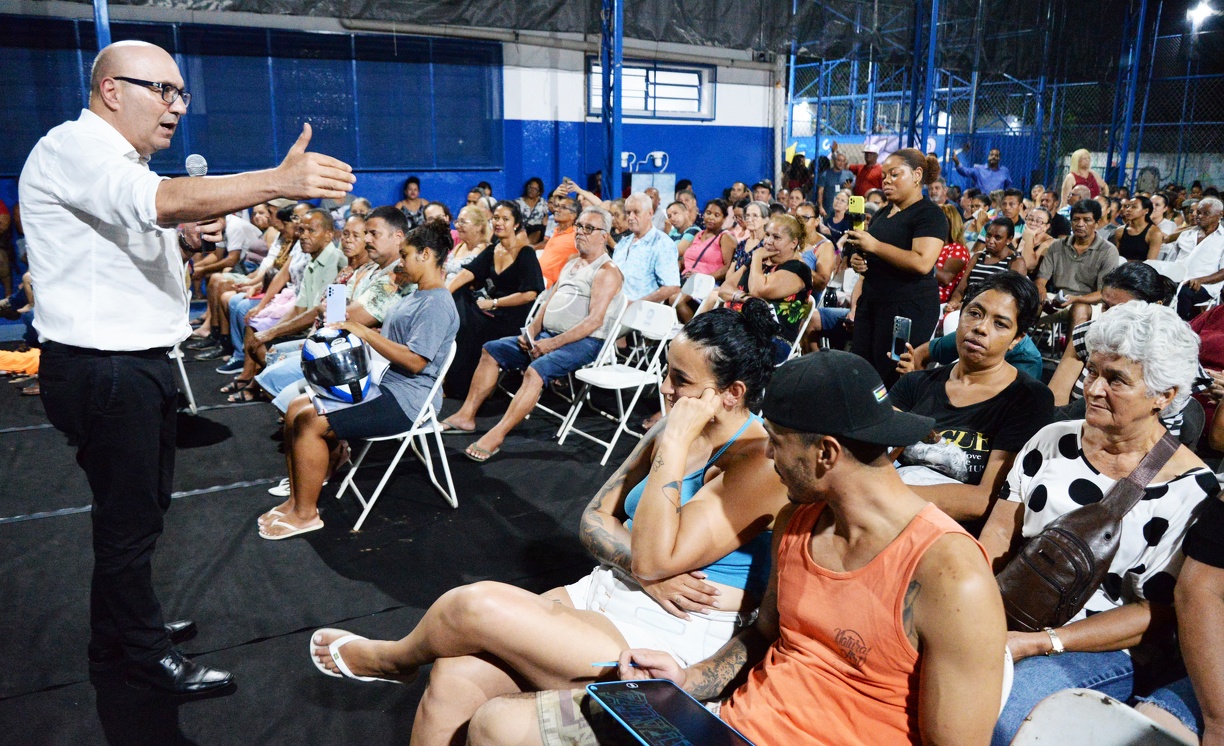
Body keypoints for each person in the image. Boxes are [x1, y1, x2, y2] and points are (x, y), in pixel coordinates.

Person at [22, 39, 353, 694]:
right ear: (112, 90)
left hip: (123, 367)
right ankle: (142, 658)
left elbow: (147, 218)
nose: (177, 107)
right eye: (163, 91)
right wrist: (278, 182)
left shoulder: (115, 161)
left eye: (182, 94)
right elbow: (163, 203)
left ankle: (118, 631)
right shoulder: (77, 148)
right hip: (106, 369)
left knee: (129, 518)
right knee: (130, 521)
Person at [467, 350, 1008, 746]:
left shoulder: (950, 575)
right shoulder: (801, 518)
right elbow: (765, 635)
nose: (768, 454)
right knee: (496, 725)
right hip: (727, 727)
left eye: (776, 440)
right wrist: (687, 679)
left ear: (826, 453)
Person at [309, 304, 790, 746]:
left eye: (680, 380)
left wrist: (673, 448)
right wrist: (640, 564)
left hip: (672, 633)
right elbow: (594, 519)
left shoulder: (758, 461)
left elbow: (656, 556)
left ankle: (392, 660)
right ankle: (404, 666)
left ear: (732, 394)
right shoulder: (673, 425)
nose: (665, 388)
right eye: (666, 371)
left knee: (474, 605)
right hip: (607, 590)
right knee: (453, 675)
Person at [979, 302, 1217, 746]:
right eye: (1091, 371)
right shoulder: (1052, 440)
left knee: (1002, 718)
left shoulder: (1190, 489)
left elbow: (1157, 614)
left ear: (1165, 395)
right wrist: (972, 606)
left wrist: (1041, 643)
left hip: (1099, 644)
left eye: (1117, 380)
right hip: (1011, 609)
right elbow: (996, 535)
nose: (1092, 388)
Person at [260, 220, 459, 540]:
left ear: (425, 255)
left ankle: (306, 514)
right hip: (389, 383)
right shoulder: (416, 295)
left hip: (410, 399)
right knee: (297, 408)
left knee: (311, 420)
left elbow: (416, 361)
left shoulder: (436, 302)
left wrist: (363, 332)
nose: (402, 262)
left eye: (406, 255)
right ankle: (296, 501)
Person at [441, 207, 625, 463]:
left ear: (604, 235)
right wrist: (531, 332)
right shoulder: (572, 262)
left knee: (535, 370)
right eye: (579, 226)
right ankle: (466, 416)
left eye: (589, 228)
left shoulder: (606, 271)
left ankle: (497, 435)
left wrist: (552, 344)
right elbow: (547, 303)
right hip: (549, 334)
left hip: (585, 342)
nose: (581, 232)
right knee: (491, 349)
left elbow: (594, 321)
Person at [892, 271, 1054, 521]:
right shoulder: (915, 383)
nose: (980, 328)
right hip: (883, 516)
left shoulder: (1028, 398)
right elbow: (874, 459)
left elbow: (984, 500)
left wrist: (884, 494)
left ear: (1016, 339)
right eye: (975, 313)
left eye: (1000, 324)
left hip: (948, 532)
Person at [846, 148, 949, 385]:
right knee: (862, 372)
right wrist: (858, 260)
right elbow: (870, 252)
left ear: (916, 175)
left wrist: (875, 247)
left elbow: (922, 262)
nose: (887, 181)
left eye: (895, 174)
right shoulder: (884, 213)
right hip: (873, 303)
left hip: (907, 309)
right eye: (884, 176)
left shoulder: (930, 215)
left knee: (891, 374)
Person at [445, 200, 544, 398]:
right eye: (496, 218)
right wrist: (444, 293)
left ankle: (460, 387)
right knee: (458, 298)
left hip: (514, 316)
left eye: (505, 219)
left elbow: (530, 294)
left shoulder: (526, 253)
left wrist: (495, 303)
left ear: (516, 224)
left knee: (466, 327)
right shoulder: (493, 250)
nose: (499, 223)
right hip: (492, 312)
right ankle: (454, 382)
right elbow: (468, 273)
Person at [716, 214, 813, 361]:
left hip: (773, 340)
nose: (768, 241)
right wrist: (746, 298)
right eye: (767, 235)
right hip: (739, 329)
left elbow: (758, 289)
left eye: (776, 237)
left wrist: (756, 258)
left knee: (716, 353)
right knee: (699, 342)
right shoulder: (759, 263)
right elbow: (724, 289)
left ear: (793, 243)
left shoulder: (798, 269)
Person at [1034, 199, 1120, 329]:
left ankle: (1070, 350)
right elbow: (1040, 282)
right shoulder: (1057, 245)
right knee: (1027, 300)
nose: (1080, 224)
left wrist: (1076, 299)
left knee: (1079, 309)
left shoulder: (1108, 251)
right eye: (1076, 219)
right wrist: (1043, 296)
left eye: (1087, 220)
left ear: (1096, 223)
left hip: (1091, 304)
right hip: (1058, 299)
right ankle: (1017, 346)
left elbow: (1103, 293)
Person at [613, 193, 681, 303]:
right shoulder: (623, 243)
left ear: (650, 213)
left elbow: (672, 287)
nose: (630, 217)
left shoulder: (663, 244)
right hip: (614, 306)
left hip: (641, 312)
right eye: (628, 212)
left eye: (636, 212)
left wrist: (635, 304)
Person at [945, 217, 1023, 311]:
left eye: (997, 238)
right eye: (988, 236)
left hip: (992, 311)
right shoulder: (978, 257)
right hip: (966, 306)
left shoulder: (1016, 262)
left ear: (1009, 240)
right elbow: (961, 288)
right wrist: (954, 301)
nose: (990, 241)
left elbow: (1011, 298)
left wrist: (971, 306)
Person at [1171, 197, 1224, 320]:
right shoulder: (1185, 235)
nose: (1200, 216)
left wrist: (1200, 280)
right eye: (1198, 213)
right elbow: (1171, 261)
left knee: (1184, 293)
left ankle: (1180, 328)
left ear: (1220, 215)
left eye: (1206, 213)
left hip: (1204, 285)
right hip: (1176, 280)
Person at [681, 199, 736, 281]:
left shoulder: (725, 237)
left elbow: (727, 268)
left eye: (716, 215)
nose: (711, 217)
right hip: (685, 279)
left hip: (706, 283)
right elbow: (683, 261)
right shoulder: (698, 235)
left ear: (724, 218)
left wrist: (702, 278)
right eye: (708, 213)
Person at [537, 196, 578, 287]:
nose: (557, 210)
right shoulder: (556, 231)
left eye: (563, 207)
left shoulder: (577, 235)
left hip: (551, 286)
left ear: (573, 215)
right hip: (537, 277)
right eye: (557, 206)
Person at [935, 203, 970, 303]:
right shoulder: (930, 246)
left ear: (951, 223)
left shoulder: (958, 249)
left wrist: (921, 264)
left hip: (940, 302)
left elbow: (946, 278)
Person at [1112, 195, 1164, 262]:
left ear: (1146, 211)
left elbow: (1150, 262)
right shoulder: (1120, 231)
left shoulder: (1154, 233)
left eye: (1134, 207)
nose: (1128, 209)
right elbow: (1115, 258)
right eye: (1128, 206)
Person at [1014, 207, 1057, 276]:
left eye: (1039, 221)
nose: (1033, 223)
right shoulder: (1016, 240)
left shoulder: (1050, 243)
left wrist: (1029, 238)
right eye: (1030, 219)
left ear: (1046, 226)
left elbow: (1028, 266)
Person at [817, 151, 854, 218]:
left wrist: (849, 188)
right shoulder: (825, 175)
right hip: (828, 210)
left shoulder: (849, 175)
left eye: (843, 161)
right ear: (833, 161)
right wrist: (820, 207)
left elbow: (853, 192)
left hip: (843, 211)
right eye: (839, 160)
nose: (841, 163)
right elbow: (820, 192)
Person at [517, 176, 548, 243]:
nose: (532, 190)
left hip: (538, 230)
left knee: (538, 229)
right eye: (530, 187)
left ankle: (528, 246)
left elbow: (546, 217)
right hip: (522, 229)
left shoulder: (542, 202)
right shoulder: (518, 202)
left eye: (535, 189)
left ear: (539, 192)